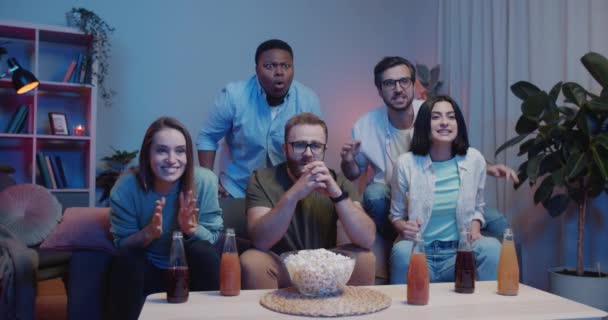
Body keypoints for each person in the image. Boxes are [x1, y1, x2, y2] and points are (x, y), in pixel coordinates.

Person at [340, 56, 519, 242]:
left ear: (414, 85)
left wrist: (489, 167)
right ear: (379, 89)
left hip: (438, 195)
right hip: (392, 197)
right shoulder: (364, 125)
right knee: (374, 194)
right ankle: (397, 246)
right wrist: (348, 161)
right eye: (389, 83)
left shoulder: (432, 111)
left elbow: (458, 149)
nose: (398, 89)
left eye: (404, 81)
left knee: (497, 222)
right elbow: (353, 174)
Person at [240, 113, 376, 289]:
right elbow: (260, 240)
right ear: (285, 148)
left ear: (324, 149)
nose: (308, 154)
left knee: (365, 258)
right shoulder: (261, 179)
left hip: (325, 267)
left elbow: (367, 239)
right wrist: (294, 193)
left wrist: (337, 194)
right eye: (299, 145)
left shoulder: (338, 181)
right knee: (252, 261)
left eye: (316, 146)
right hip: (282, 265)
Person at [108, 117, 222, 319]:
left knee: (204, 251)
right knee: (127, 258)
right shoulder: (125, 187)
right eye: (162, 150)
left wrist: (191, 229)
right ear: (147, 155)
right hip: (148, 269)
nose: (172, 159)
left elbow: (213, 237)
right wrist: (148, 234)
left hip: (190, 269)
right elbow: (121, 244)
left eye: (180, 151)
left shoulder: (205, 181)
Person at [389, 95, 501, 284]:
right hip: (420, 251)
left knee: (492, 247)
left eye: (450, 117)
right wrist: (404, 227)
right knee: (400, 251)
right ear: (425, 123)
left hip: (459, 253)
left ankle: (488, 310)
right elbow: (396, 215)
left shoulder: (474, 159)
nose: (444, 123)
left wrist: (475, 225)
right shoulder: (406, 163)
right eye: (436, 117)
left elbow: (478, 207)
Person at [197, 39, 322, 198]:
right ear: (257, 69)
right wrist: (209, 183)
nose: (279, 72)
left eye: (286, 66)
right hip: (239, 191)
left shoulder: (308, 100)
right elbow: (207, 137)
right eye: (270, 66)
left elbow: (316, 147)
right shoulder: (234, 96)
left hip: (289, 193)